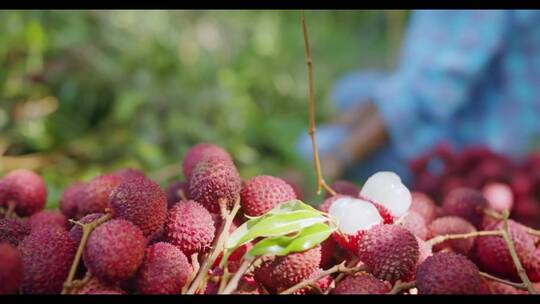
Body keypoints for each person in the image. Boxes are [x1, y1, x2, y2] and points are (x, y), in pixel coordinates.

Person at [296, 10, 540, 186]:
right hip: (456, 104)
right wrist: (347, 122)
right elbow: (413, 76)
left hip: (476, 143)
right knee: (349, 90)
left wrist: (338, 156)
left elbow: (429, 93)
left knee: (308, 147)